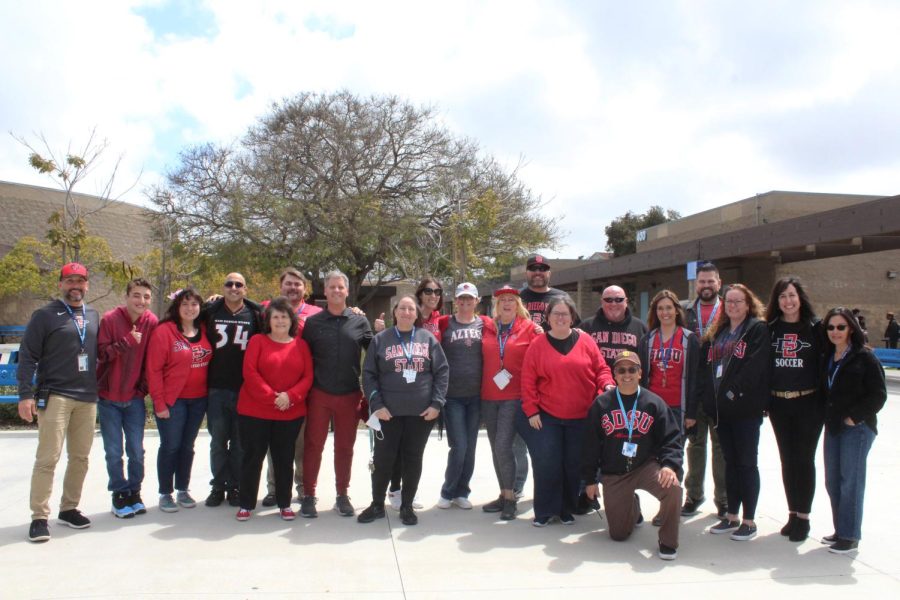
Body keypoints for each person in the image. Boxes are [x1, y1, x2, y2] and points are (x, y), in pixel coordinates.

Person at [18, 263, 100, 543]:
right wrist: (25, 395)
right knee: (48, 458)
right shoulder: (44, 315)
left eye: (80, 281)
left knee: (80, 458)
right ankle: (39, 517)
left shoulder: (92, 314)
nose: (75, 286)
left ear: (87, 285)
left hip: (87, 398)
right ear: (60, 284)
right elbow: (27, 355)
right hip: (56, 395)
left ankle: (69, 508)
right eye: (69, 281)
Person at [518, 297, 615, 526]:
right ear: (548, 318)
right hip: (548, 417)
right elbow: (528, 380)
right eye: (556, 314)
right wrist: (531, 411)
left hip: (581, 417)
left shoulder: (586, 341)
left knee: (573, 465)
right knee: (547, 463)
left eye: (565, 314)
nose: (561, 318)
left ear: (573, 317)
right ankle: (544, 511)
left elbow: (601, 369)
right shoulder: (538, 345)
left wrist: (607, 384)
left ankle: (565, 510)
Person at [582, 351, 684, 560]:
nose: (626, 374)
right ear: (614, 374)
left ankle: (667, 542)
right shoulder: (601, 404)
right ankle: (633, 507)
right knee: (618, 535)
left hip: (646, 466)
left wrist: (669, 466)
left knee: (672, 488)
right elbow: (590, 445)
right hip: (615, 472)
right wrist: (590, 480)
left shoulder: (653, 402)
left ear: (639, 373)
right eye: (621, 370)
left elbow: (672, 438)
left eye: (631, 369)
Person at [359, 295, 449, 525]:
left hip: (421, 414)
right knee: (383, 459)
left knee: (412, 459)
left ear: (416, 314)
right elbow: (369, 374)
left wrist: (436, 403)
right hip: (387, 413)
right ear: (395, 312)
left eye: (411, 309)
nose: (407, 312)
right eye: (402, 308)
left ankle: (407, 505)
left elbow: (442, 371)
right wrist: (376, 405)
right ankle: (377, 504)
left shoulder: (428, 339)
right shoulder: (381, 339)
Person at [697, 284, 769, 541]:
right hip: (721, 412)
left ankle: (749, 521)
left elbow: (755, 368)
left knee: (747, 464)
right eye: (729, 301)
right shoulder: (719, 332)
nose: (733, 306)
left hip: (744, 410)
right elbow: (706, 369)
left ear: (748, 304)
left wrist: (732, 393)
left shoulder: (757, 329)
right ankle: (732, 516)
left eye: (738, 301)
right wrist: (709, 399)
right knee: (730, 463)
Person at [300, 270, 373, 518]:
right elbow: (300, 357)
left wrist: (383, 331)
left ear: (347, 291)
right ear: (325, 291)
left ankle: (342, 495)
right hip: (319, 394)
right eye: (332, 287)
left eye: (340, 287)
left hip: (349, 394)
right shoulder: (313, 323)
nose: (336, 291)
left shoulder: (359, 321)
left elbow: (375, 352)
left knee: (345, 448)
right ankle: (309, 495)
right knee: (313, 446)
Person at [235, 297, 313, 521]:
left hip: (290, 412)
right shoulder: (257, 341)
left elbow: (307, 376)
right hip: (254, 412)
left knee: (284, 459)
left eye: (284, 317)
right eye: (275, 317)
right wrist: (273, 398)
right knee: (253, 458)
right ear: (268, 320)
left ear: (292, 320)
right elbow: (250, 373)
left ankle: (284, 503)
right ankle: (247, 504)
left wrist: (290, 396)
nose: (280, 321)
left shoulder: (301, 345)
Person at [820, 307, 887, 553]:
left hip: (856, 429)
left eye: (840, 327)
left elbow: (878, 395)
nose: (835, 332)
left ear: (851, 329)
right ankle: (841, 529)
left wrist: (854, 417)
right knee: (833, 481)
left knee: (851, 482)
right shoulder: (827, 357)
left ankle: (849, 536)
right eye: (830, 327)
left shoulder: (864, 357)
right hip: (834, 427)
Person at [765, 277, 824, 542]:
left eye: (792, 295)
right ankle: (792, 513)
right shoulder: (770, 329)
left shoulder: (815, 328)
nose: (788, 301)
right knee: (787, 461)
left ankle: (804, 517)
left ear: (800, 297)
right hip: (779, 404)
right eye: (782, 297)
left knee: (804, 459)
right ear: (776, 302)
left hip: (808, 403)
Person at [380, 277, 445, 510]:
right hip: (397, 396)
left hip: (425, 393)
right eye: (428, 291)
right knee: (394, 449)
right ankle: (395, 489)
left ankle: (408, 491)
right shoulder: (402, 319)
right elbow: (382, 356)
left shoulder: (442, 321)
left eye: (437, 291)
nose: (433, 295)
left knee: (413, 451)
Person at [146, 287, 212, 513]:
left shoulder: (203, 329)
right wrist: (159, 403)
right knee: (170, 446)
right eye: (185, 304)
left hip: (198, 400)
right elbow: (153, 370)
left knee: (187, 446)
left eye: (194, 304)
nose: (190, 308)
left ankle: (183, 489)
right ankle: (165, 493)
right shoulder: (164, 331)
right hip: (173, 401)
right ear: (177, 307)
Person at [97, 277, 159, 519]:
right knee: (113, 451)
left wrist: (142, 389)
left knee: (136, 450)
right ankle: (119, 493)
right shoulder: (110, 319)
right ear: (127, 296)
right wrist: (125, 342)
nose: (141, 300)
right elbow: (101, 354)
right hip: (109, 397)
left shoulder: (151, 322)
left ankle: (134, 491)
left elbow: (151, 361)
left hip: (134, 398)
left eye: (146, 297)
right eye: (136, 295)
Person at [261, 268, 323, 507]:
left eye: (297, 284)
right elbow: (239, 303)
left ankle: (303, 488)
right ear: (280, 286)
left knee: (302, 445)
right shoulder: (266, 308)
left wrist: (356, 310)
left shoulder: (316, 312)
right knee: (275, 445)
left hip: (304, 388)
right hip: (274, 390)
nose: (293, 288)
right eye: (288, 284)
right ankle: (274, 489)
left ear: (304, 289)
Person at [637, 289, 699, 526]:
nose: (665, 312)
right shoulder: (648, 339)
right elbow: (642, 378)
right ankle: (664, 498)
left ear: (676, 310)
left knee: (674, 460)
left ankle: (668, 508)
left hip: (678, 410)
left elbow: (695, 378)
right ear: (655, 312)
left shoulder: (688, 339)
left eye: (669, 308)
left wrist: (691, 413)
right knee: (654, 458)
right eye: (660, 308)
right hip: (654, 410)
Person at [480, 286, 541, 520]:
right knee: (495, 448)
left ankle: (510, 498)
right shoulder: (486, 326)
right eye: (502, 300)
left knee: (504, 446)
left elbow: (542, 356)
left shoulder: (529, 329)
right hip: (489, 396)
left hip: (514, 397)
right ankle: (503, 493)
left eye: (511, 300)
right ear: (497, 304)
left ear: (518, 304)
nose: (506, 303)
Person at [204, 273, 264, 508]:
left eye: (239, 284)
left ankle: (236, 486)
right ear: (223, 287)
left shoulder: (255, 314)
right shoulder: (211, 310)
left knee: (240, 442)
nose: (234, 288)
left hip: (244, 389)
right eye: (229, 284)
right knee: (218, 441)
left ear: (246, 289)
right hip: (217, 388)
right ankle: (218, 486)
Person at [516, 254, 570, 497]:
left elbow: (572, 332)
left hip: (551, 379)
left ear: (549, 272)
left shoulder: (561, 298)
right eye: (533, 268)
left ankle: (554, 493)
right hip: (519, 375)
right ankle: (516, 488)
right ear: (526, 272)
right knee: (516, 442)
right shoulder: (517, 298)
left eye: (543, 268)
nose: (538, 272)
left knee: (550, 444)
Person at [436, 282, 487, 509]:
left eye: (470, 299)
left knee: (471, 446)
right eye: (461, 299)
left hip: (476, 396)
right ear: (455, 301)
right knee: (459, 446)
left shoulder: (485, 324)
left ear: (477, 301)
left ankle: (462, 491)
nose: (465, 303)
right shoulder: (445, 323)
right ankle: (447, 491)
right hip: (453, 396)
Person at [681, 261, 727, 518]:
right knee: (695, 445)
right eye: (702, 281)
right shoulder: (685, 311)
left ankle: (723, 499)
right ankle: (694, 495)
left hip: (720, 389)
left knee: (721, 447)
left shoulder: (728, 309)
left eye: (711, 281)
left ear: (719, 283)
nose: (706, 286)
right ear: (695, 284)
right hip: (694, 388)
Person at [579, 285, 648, 368]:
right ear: (602, 302)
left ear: (626, 301)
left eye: (619, 300)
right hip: (595, 380)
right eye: (608, 300)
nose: (614, 304)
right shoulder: (586, 327)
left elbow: (645, 363)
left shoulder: (640, 327)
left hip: (628, 380)